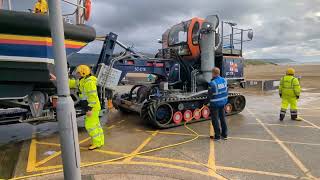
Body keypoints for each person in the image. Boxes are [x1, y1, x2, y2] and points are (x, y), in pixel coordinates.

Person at [69, 65, 105, 150]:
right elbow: (73, 83)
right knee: (96, 125)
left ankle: (96, 143)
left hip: (92, 108)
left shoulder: (89, 82)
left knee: (90, 125)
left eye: (78, 73)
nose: (77, 74)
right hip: (92, 107)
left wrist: (89, 109)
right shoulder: (83, 80)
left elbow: (93, 97)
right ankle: (100, 141)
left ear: (83, 73)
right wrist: (58, 79)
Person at [208, 67, 228, 141]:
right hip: (223, 103)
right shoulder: (224, 80)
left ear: (213, 74)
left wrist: (205, 103)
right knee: (222, 118)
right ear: (219, 73)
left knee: (215, 119)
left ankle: (217, 136)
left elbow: (209, 95)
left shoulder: (212, 83)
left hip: (215, 104)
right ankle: (225, 135)